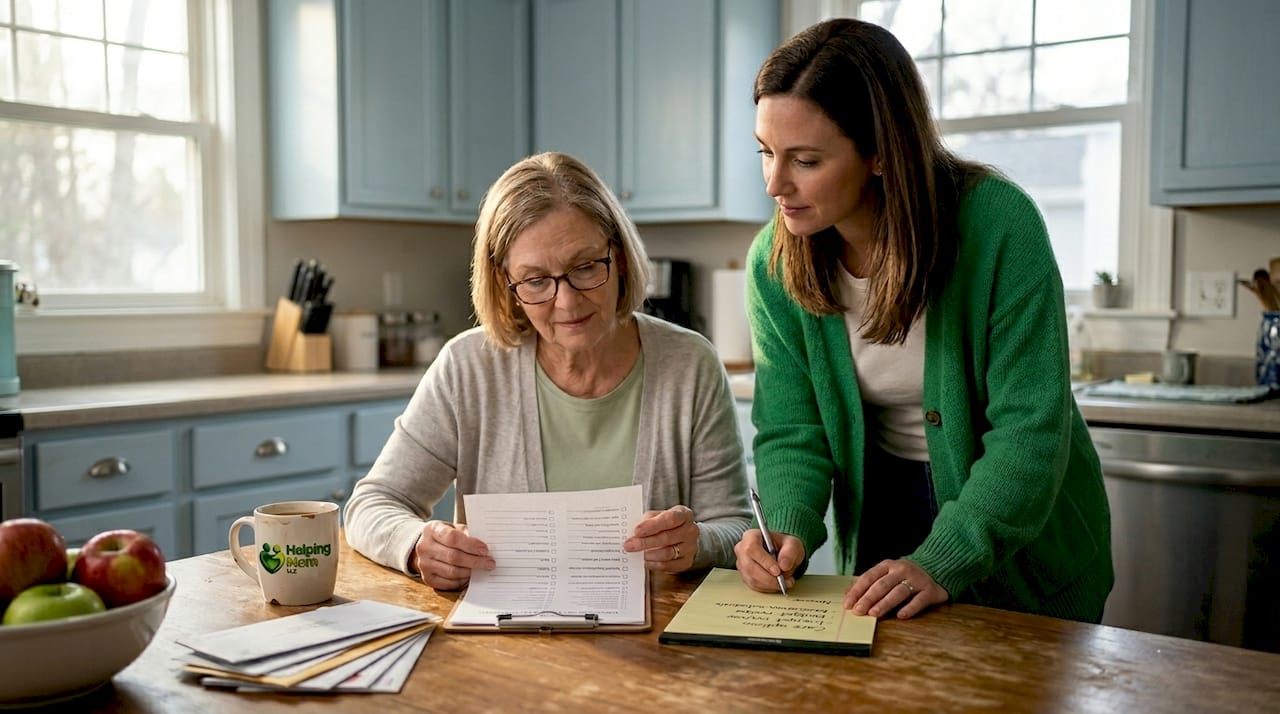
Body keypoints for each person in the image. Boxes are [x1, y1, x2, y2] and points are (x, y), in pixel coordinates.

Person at [734, 18, 1114, 623]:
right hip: (886, 512)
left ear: (881, 151)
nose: (775, 183)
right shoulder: (774, 263)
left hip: (1018, 534)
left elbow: (1030, 432)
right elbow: (790, 428)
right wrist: (785, 527)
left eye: (805, 160)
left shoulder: (997, 226)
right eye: (765, 152)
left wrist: (945, 557)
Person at [345, 151, 752, 590]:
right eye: (536, 280)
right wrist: (416, 544)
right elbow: (372, 503)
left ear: (618, 255)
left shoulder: (690, 364)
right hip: (505, 645)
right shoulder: (468, 367)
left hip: (654, 643)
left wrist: (696, 542)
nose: (568, 302)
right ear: (507, 285)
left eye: (585, 267)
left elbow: (735, 528)